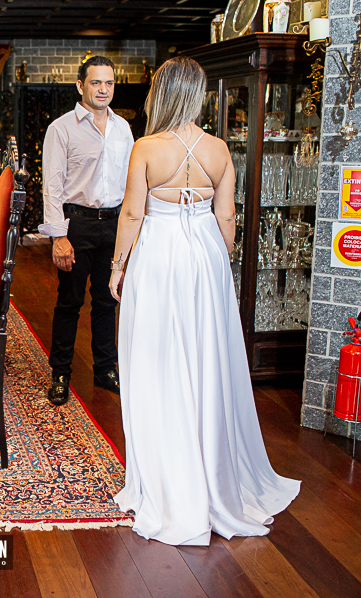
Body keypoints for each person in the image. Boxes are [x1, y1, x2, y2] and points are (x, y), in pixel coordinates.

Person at [109, 57, 300, 546]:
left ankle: (168, 476)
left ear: (161, 93)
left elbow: (132, 213)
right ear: (197, 95)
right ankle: (212, 466)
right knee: (206, 357)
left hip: (160, 256)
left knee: (157, 359)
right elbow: (227, 219)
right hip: (206, 257)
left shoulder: (146, 147)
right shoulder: (218, 149)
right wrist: (216, 259)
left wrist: (118, 266)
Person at [38, 56, 134, 406]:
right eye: (96, 82)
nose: (103, 89)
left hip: (114, 224)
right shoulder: (61, 129)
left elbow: (131, 182)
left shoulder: (123, 129)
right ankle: (60, 373)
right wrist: (58, 237)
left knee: (108, 301)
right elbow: (52, 187)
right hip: (76, 224)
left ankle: (105, 369)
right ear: (81, 86)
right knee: (70, 302)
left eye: (109, 83)